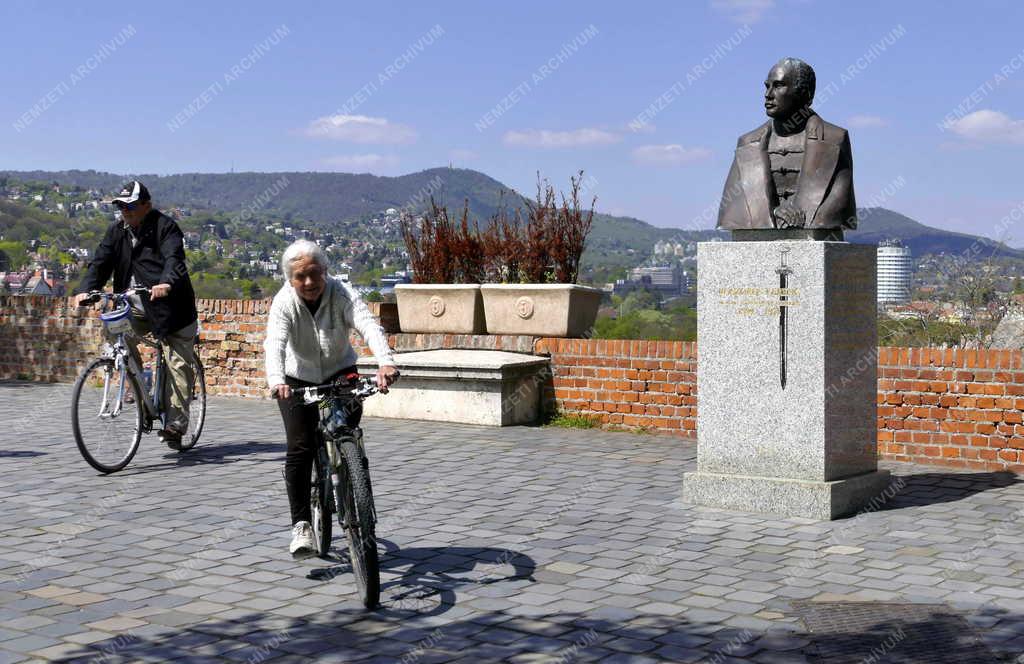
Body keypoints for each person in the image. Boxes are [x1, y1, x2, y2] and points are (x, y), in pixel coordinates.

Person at [264, 239, 399, 559]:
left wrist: (385, 361)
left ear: (325, 271)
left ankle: (354, 481)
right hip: (296, 380)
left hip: (340, 372)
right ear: (289, 278)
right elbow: (275, 344)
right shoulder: (285, 302)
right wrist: (277, 380)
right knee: (300, 447)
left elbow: (368, 324)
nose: (309, 283)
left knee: (348, 430)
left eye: (315, 274)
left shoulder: (341, 292)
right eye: (300, 277)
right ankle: (301, 524)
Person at [74, 181, 199, 449]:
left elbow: (174, 258)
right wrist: (86, 290)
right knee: (114, 329)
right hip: (133, 305)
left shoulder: (166, 227)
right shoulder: (117, 231)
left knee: (176, 363)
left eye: (130, 206)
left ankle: (176, 423)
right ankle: (137, 381)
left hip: (171, 308)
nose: (126, 212)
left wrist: (166, 282)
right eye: (121, 207)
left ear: (146, 206)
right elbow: (100, 262)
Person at [717, 57, 856, 231]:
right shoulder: (748, 143)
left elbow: (838, 203)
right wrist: (773, 212)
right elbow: (735, 207)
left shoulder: (835, 139)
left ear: (805, 93)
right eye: (767, 86)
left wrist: (803, 216)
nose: (768, 94)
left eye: (778, 86)